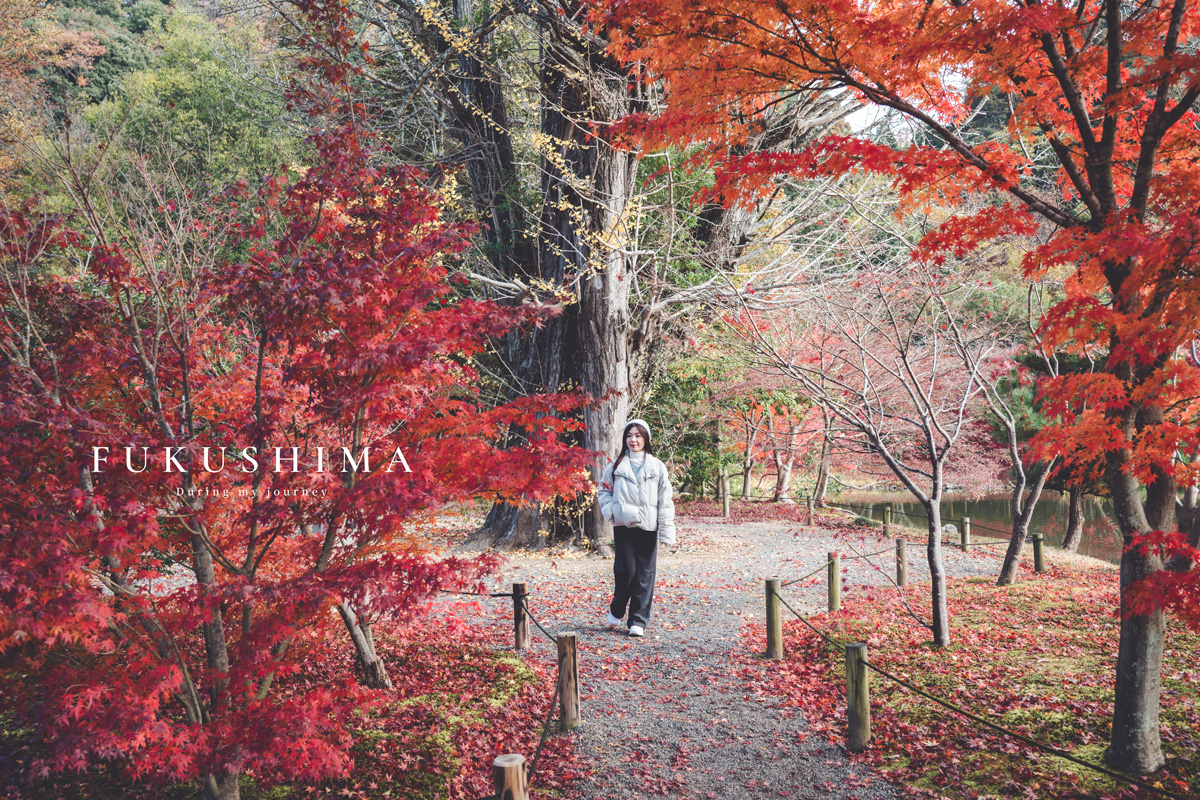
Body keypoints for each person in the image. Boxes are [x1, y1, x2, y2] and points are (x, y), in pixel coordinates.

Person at [597, 418, 676, 637]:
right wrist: (611, 512)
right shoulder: (616, 465)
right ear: (625, 439)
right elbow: (603, 491)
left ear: (646, 438)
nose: (633, 440)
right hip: (623, 525)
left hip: (648, 526)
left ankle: (638, 621)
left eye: (638, 435)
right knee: (626, 572)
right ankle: (618, 606)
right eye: (630, 435)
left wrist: (667, 531)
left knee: (645, 575)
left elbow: (665, 500)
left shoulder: (657, 466)